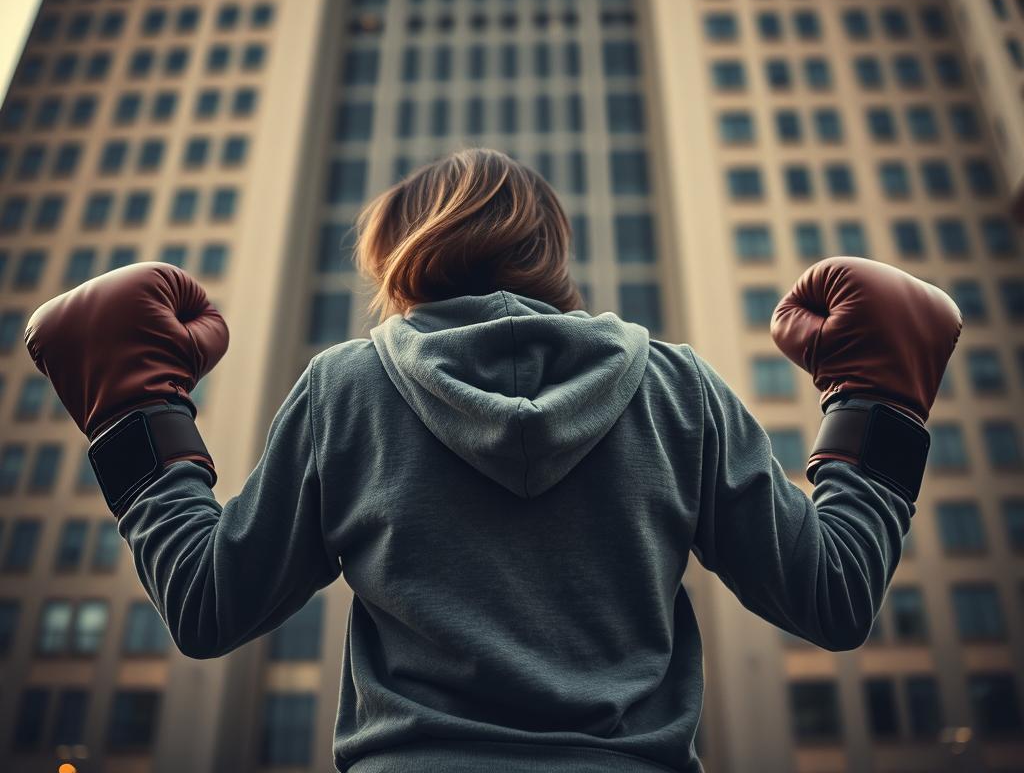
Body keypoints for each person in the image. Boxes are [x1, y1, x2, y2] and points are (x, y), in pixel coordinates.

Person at [24, 146, 962, 773]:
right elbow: (835, 596)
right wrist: (874, 402)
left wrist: (137, 412)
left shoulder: (346, 388)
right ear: (549, 250)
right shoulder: (678, 389)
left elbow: (204, 603)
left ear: (400, 257)